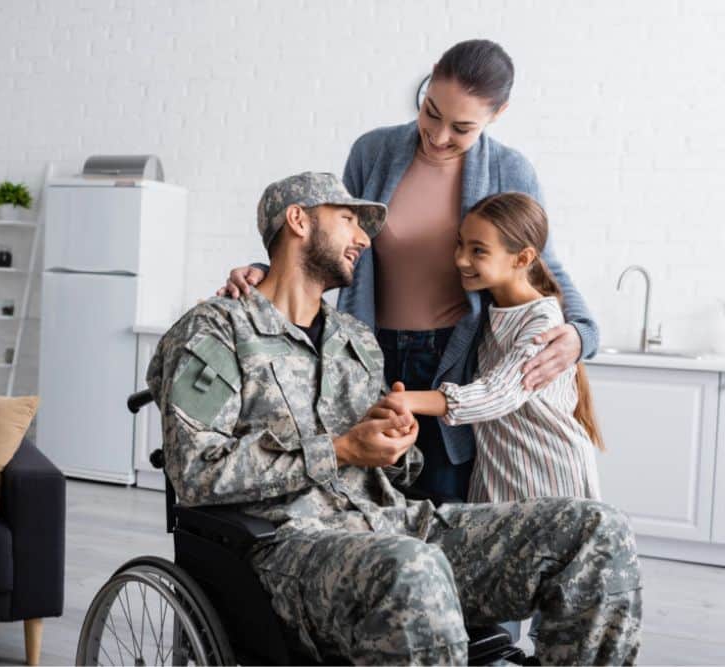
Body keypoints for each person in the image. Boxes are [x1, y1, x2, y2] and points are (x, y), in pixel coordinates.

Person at [149, 172, 641, 665]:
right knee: (414, 567)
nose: (364, 238)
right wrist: (340, 450)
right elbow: (196, 473)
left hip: (393, 527)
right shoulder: (215, 331)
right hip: (287, 548)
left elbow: (396, 465)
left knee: (598, 530)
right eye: (348, 220)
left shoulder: (356, 340)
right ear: (298, 221)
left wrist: (398, 445)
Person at [216, 39, 598, 501]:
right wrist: (265, 271)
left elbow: (544, 263)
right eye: (431, 112)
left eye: (461, 128)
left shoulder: (509, 170)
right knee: (363, 500)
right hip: (367, 352)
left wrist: (582, 335)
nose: (438, 136)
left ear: (497, 115)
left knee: (442, 503)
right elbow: (334, 241)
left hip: (453, 363)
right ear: (430, 77)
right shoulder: (373, 151)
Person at [382, 192, 603, 503]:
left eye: (478, 251)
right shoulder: (487, 313)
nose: (460, 259)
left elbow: (497, 393)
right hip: (497, 477)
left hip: (547, 476)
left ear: (522, 259)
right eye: (460, 244)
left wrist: (406, 400)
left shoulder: (543, 323)